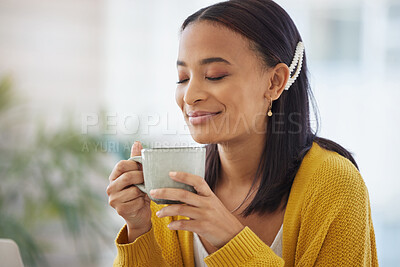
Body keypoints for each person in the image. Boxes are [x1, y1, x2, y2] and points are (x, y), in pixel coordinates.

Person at [106, 0, 379, 266]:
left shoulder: (334, 185)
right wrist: (139, 229)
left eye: (215, 75)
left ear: (274, 82)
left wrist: (231, 240)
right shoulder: (174, 183)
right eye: (183, 78)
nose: (190, 96)